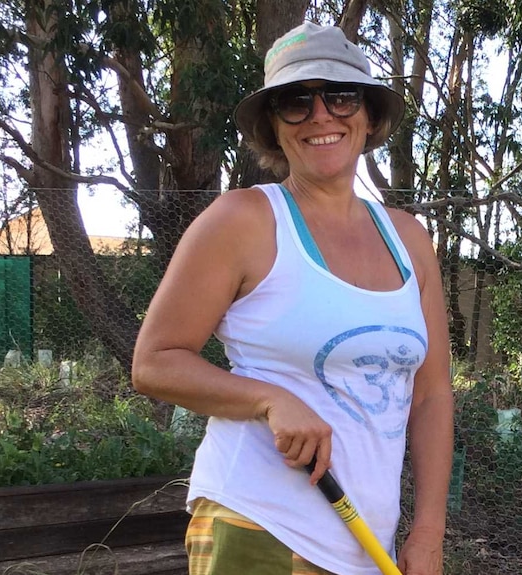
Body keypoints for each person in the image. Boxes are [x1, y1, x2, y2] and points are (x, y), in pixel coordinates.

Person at [132, 21, 454, 575]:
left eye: (340, 95)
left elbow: (431, 396)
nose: (321, 115)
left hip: (366, 545)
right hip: (258, 530)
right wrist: (269, 399)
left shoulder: (409, 239)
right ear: (273, 127)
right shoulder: (242, 220)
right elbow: (154, 363)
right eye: (295, 102)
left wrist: (428, 531)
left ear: (370, 116)